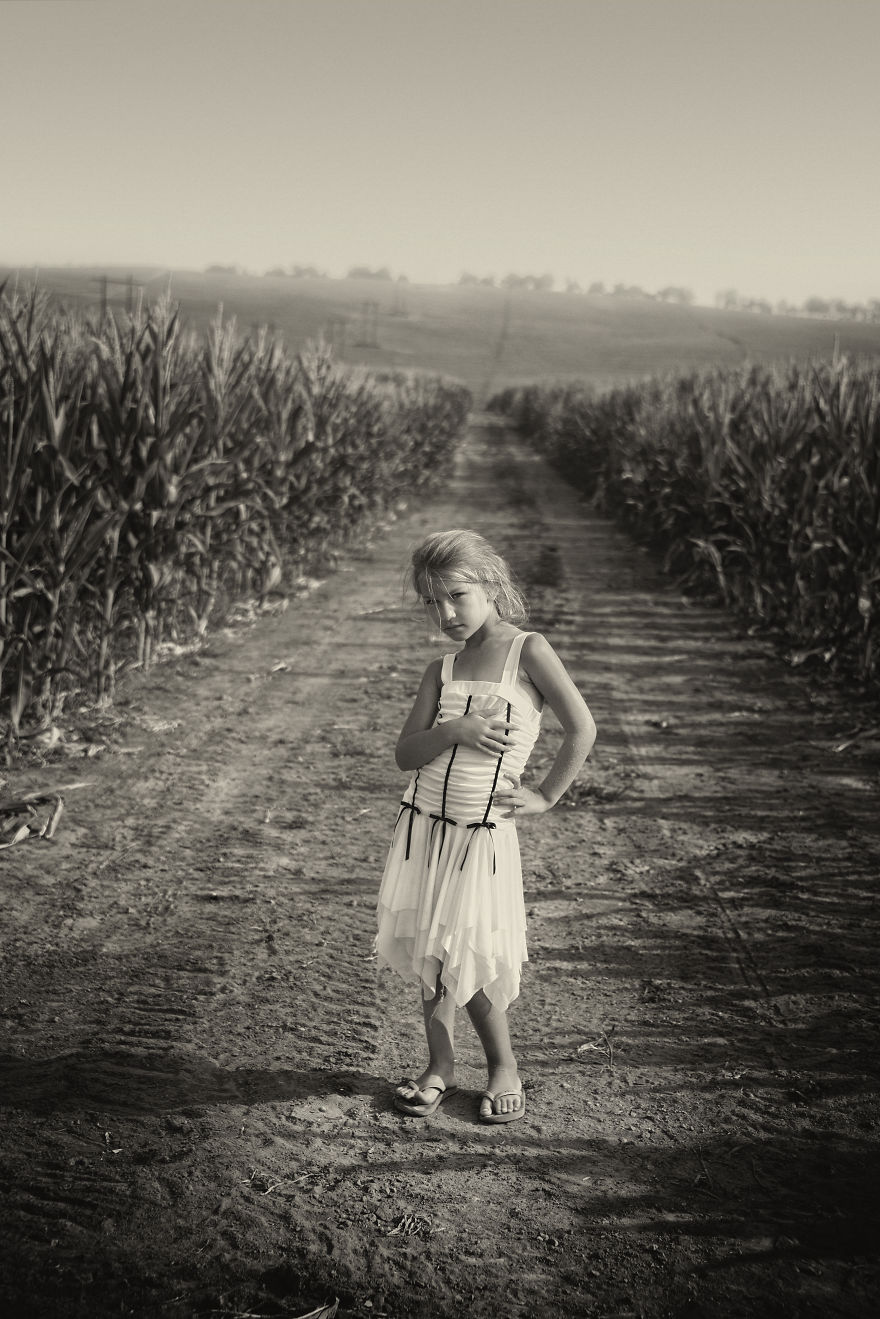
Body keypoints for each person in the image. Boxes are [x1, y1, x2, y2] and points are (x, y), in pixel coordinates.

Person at [375, 529, 596, 1123]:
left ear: (492, 586)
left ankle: (504, 1066)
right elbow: (405, 755)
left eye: (456, 596)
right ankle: (439, 1065)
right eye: (432, 602)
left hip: (480, 831)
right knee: (429, 948)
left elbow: (582, 728)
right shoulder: (441, 669)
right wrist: (453, 730)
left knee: (465, 952)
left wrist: (547, 794)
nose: (445, 613)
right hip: (425, 824)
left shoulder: (528, 650)